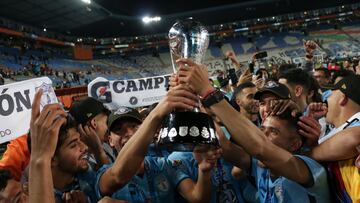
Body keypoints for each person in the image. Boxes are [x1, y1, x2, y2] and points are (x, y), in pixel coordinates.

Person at [176, 58, 331, 202]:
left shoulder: (307, 168)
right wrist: (197, 101)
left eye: (273, 132)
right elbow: (224, 144)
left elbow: (260, 147)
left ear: (295, 144)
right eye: (262, 129)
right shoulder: (260, 167)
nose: (262, 134)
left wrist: (208, 92)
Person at [95, 84, 222, 203]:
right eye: (118, 130)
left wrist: (204, 170)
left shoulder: (163, 165)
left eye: (134, 126)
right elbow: (118, 177)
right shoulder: (103, 174)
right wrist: (156, 114)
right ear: (110, 140)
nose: (128, 133)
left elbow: (197, 198)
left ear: (144, 128)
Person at [29, 90, 97, 203]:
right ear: (52, 159)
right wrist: (40, 159)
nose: (85, 147)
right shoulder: (29, 195)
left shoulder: (87, 172)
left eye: (80, 140)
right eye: (74, 144)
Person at [70, 97, 114, 168]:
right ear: (94, 123)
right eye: (106, 121)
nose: (109, 126)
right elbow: (112, 178)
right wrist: (98, 152)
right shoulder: (80, 160)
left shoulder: (106, 145)